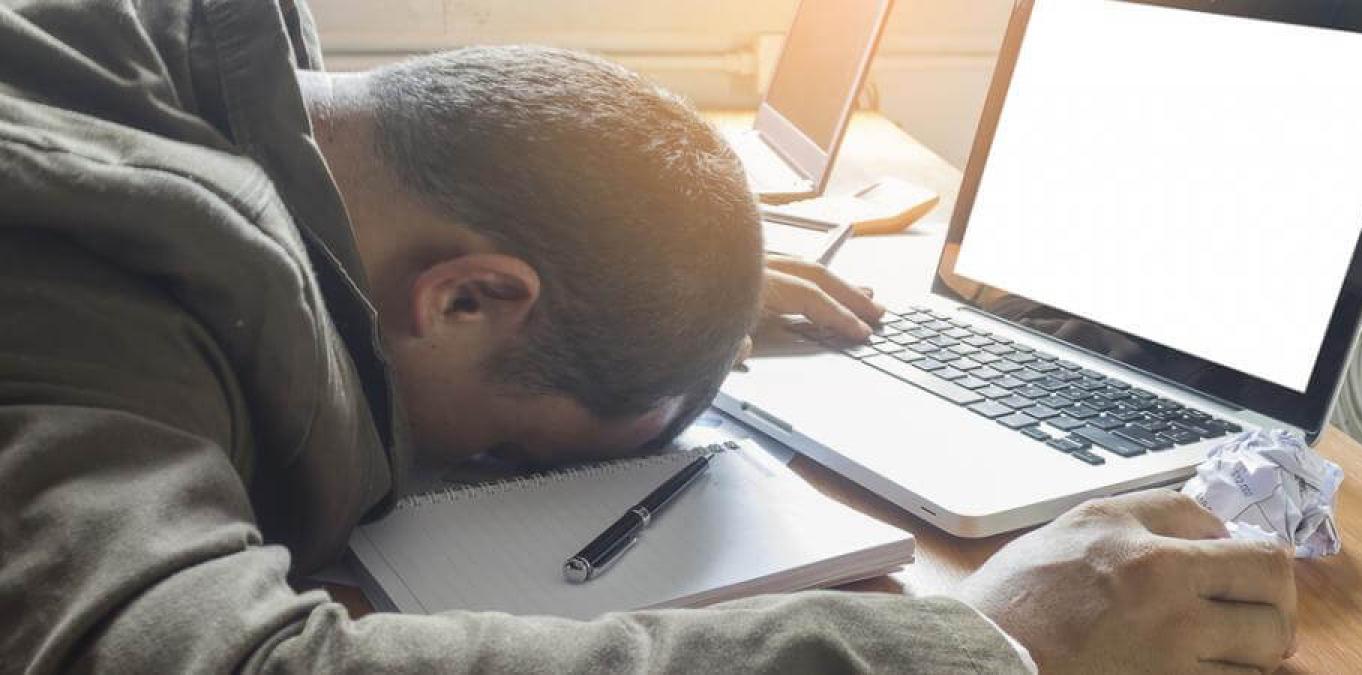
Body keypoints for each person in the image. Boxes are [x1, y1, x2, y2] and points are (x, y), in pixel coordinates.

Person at [0, 1, 1295, 672]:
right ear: (467, 296)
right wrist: (994, 647)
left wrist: (691, 275)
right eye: (509, 453)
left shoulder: (190, 83)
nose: (489, 479)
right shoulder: (81, 282)